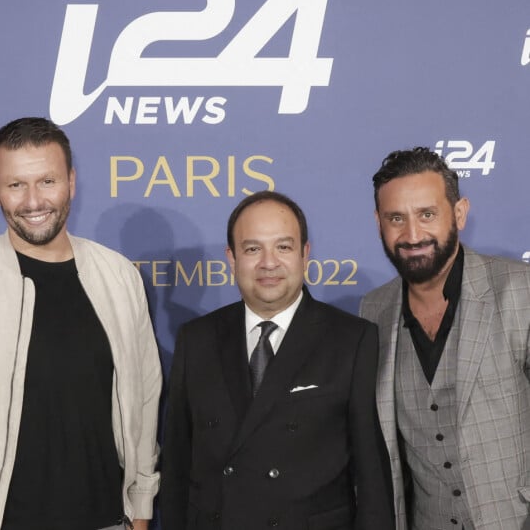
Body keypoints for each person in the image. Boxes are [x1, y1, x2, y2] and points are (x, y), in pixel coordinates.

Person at [0, 118, 162, 530]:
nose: (33, 201)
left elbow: (145, 397)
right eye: (16, 185)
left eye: (47, 181)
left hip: (108, 520)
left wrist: (140, 508)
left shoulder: (117, 275)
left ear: (71, 181)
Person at [160, 190, 394, 530]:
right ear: (232, 258)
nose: (268, 263)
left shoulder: (351, 339)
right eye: (253, 249)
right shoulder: (196, 339)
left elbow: (371, 475)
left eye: (283, 247)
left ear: (305, 254)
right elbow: (177, 466)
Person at [360, 147, 530, 530]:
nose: (413, 234)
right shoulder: (373, 310)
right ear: (378, 222)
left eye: (427, 214)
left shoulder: (520, 290)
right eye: (396, 218)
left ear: (459, 213)